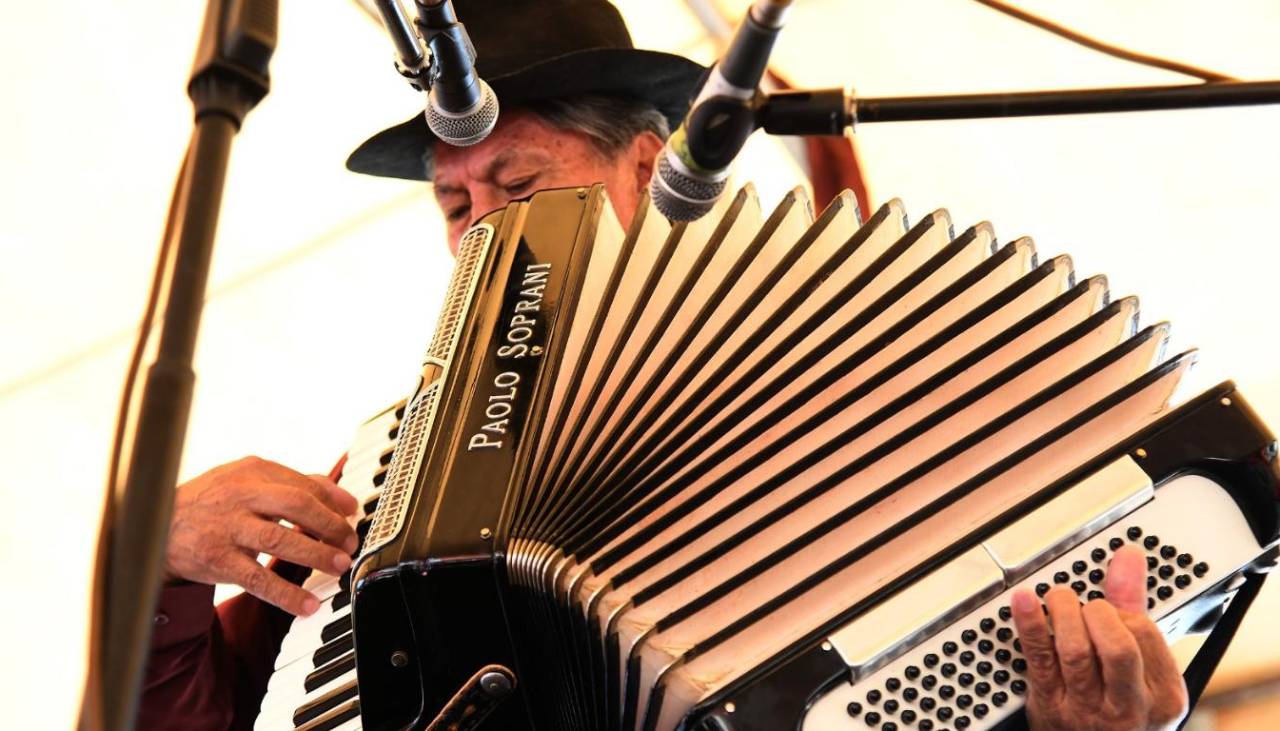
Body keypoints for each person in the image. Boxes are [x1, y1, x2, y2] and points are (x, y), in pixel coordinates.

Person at [140, 2, 1188, 730]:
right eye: (454, 205)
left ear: (644, 168)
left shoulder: (855, 357)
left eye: (517, 182)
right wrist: (163, 567)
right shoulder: (391, 464)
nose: (480, 231)